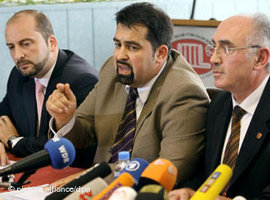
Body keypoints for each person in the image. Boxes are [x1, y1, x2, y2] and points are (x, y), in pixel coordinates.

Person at [46, 2, 209, 186]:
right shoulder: (113, 71)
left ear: (161, 53)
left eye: (132, 47)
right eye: (118, 44)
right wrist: (65, 118)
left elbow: (166, 172)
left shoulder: (184, 93)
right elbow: (84, 130)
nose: (120, 55)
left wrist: (88, 180)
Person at [169, 13, 270, 200]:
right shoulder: (218, 104)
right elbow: (207, 172)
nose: (213, 59)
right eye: (213, 48)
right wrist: (190, 191)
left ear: (260, 58)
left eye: (226, 49)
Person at [0, 10, 98, 166]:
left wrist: (14, 141)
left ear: (51, 43)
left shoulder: (81, 80)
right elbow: (3, 116)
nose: (17, 55)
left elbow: (60, 148)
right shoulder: (20, 74)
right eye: (11, 47)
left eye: (26, 44)